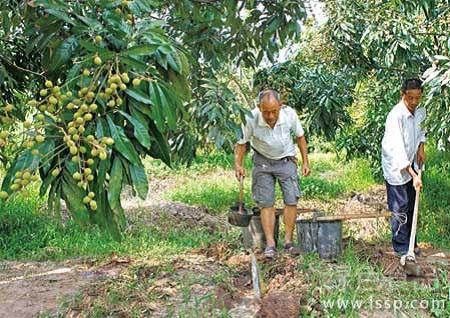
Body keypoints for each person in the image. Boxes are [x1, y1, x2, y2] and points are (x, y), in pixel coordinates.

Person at [234, 89, 310, 259]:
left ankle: (289, 242)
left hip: (286, 160)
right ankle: (270, 244)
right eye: (266, 112)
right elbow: (241, 143)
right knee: (266, 202)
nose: (270, 116)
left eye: (273, 111)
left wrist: (305, 161)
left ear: (280, 107)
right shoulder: (250, 118)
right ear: (258, 107)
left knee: (291, 199)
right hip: (262, 162)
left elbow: (300, 137)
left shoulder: (289, 115)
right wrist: (238, 164)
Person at [381, 78, 426, 257]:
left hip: (412, 162)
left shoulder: (421, 110)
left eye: (417, 98)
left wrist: (421, 147)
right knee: (400, 206)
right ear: (403, 95)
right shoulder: (395, 116)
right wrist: (414, 175)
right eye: (410, 98)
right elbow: (398, 149)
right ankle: (401, 247)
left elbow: (423, 129)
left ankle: (411, 242)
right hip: (396, 166)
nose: (414, 102)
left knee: (412, 204)